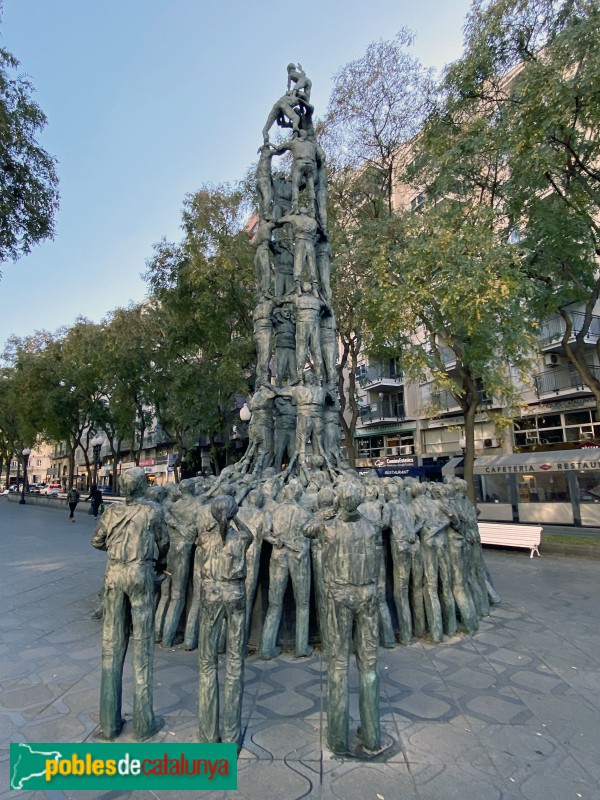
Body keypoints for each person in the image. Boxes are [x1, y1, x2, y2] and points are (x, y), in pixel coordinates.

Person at [304, 481, 383, 755]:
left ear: (339, 502)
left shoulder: (328, 528)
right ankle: (372, 734)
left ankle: (338, 737)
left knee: (338, 664)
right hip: (368, 594)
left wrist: (326, 512)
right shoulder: (372, 528)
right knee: (369, 666)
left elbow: (306, 529)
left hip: (340, 596)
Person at [91, 467, 169, 740]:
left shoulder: (111, 512)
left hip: (113, 574)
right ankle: (144, 723)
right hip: (139, 573)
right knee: (143, 646)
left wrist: (116, 552)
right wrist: (156, 564)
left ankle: (109, 724)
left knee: (111, 646)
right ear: (142, 486)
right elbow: (164, 544)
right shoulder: (153, 511)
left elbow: (96, 541)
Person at [197, 495, 253, 744]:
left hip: (210, 594)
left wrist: (217, 519)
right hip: (234, 594)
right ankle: (231, 735)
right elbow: (248, 533)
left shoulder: (204, 538)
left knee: (207, 663)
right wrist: (234, 518)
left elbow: (208, 531)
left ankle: (208, 734)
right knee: (234, 662)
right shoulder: (241, 539)